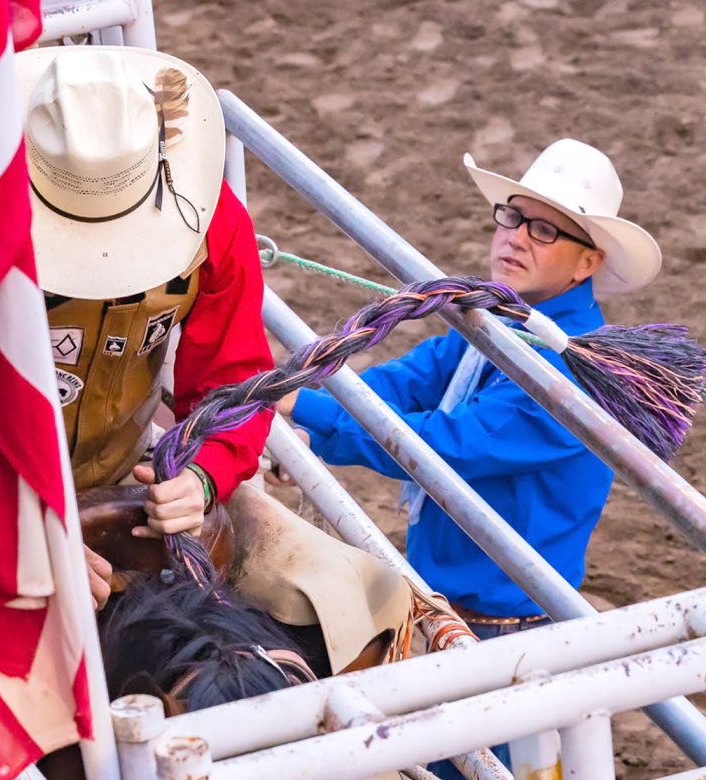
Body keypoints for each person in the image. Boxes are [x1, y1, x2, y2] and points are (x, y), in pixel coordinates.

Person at [0, 45, 420, 780]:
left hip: (132, 481)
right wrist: (5, 527)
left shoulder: (209, 221)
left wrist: (204, 474)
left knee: (361, 591)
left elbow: (233, 380)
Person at [283, 138, 661, 638]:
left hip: (512, 628)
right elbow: (410, 379)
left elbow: (453, 444)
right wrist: (312, 424)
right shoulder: (502, 318)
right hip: (472, 611)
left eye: (544, 230)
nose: (515, 238)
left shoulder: (576, 370)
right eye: (513, 217)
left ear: (586, 263)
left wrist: (303, 405)